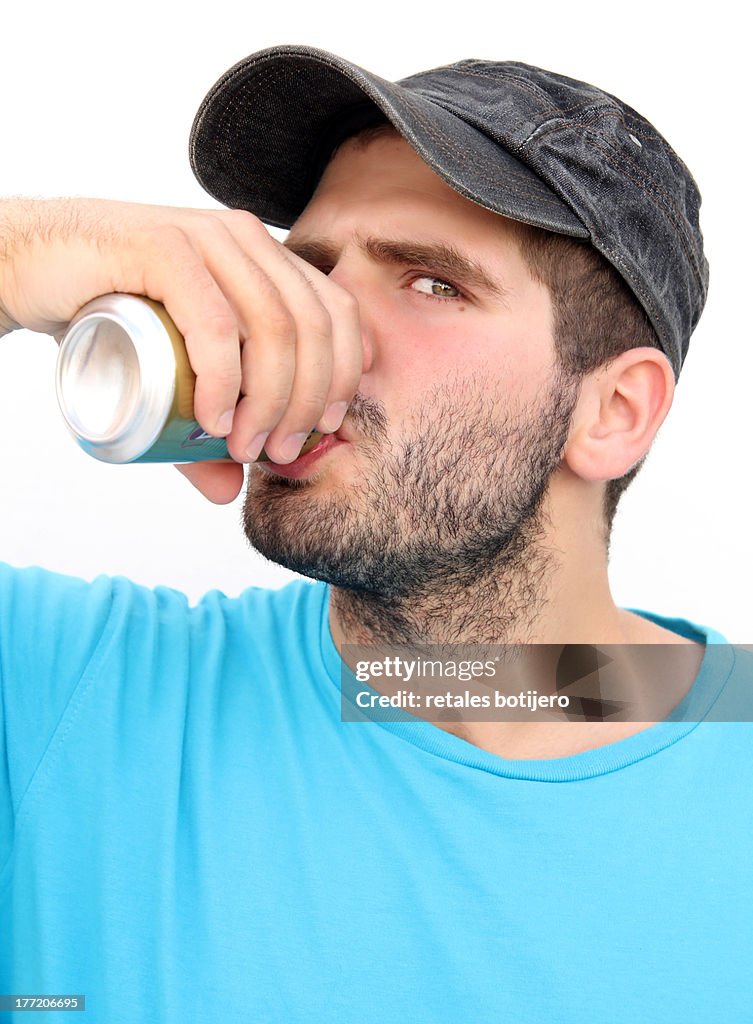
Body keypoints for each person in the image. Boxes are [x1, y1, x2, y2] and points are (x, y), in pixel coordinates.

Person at [0, 44, 751, 1023]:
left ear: (613, 411)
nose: (316, 331)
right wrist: (17, 255)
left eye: (432, 282)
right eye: (305, 270)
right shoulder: (66, 694)